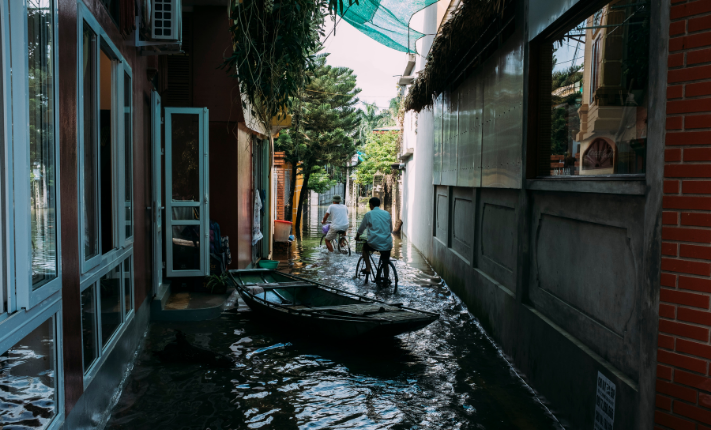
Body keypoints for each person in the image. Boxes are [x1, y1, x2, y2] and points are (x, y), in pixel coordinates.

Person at [355, 197, 393, 282]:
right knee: (385, 261)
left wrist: (357, 236)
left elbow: (361, 229)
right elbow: (390, 230)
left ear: (371, 205)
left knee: (365, 248)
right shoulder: (387, 214)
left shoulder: (369, 214)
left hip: (374, 242)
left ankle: (368, 267)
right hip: (387, 243)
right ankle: (386, 278)